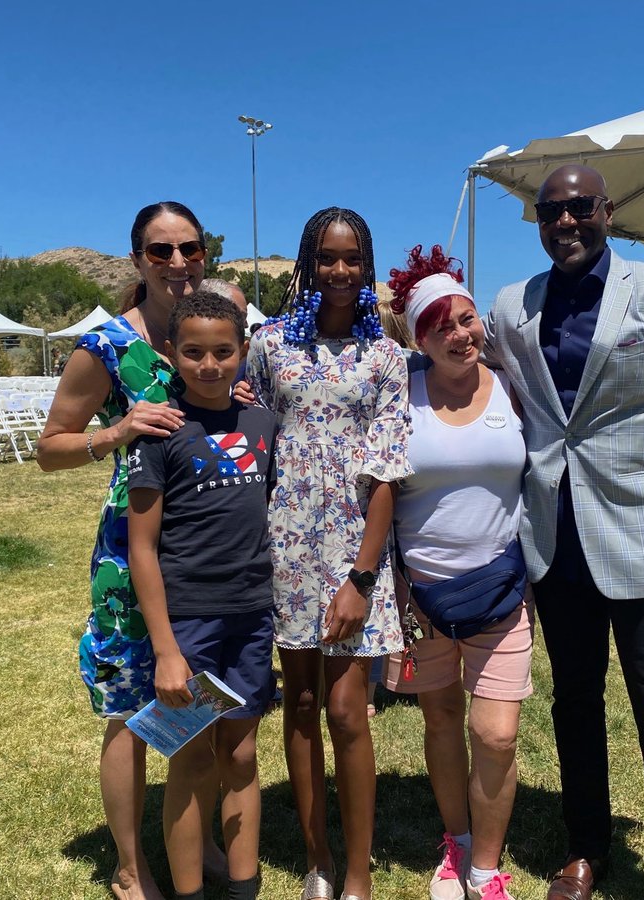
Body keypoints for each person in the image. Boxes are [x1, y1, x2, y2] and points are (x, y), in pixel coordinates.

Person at [483, 165, 644, 900]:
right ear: (537, 221)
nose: (565, 222)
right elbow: (470, 369)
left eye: (579, 207)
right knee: (576, 702)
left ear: (608, 211)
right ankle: (584, 849)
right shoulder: (514, 304)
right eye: (550, 211)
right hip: (554, 540)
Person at [38, 201, 216, 900]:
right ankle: (131, 867)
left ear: (205, 253)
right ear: (138, 259)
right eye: (160, 250)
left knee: (199, 703)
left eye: (189, 248)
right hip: (129, 552)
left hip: (207, 551)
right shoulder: (106, 347)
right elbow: (49, 448)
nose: (177, 262)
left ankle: (191, 839)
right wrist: (115, 433)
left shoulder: (219, 332)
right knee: (130, 709)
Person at [242, 207, 412, 900]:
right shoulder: (270, 345)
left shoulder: (386, 357)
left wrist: (363, 579)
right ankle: (316, 859)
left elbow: (388, 470)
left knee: (348, 712)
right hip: (284, 547)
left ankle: (358, 872)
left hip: (354, 552)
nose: (340, 272)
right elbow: (253, 430)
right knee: (304, 703)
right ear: (307, 264)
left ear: (366, 267)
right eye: (326, 258)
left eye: (352, 259)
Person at [383, 245, 532, 900]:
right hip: (421, 599)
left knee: (495, 735)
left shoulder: (512, 386)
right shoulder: (399, 396)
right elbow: (375, 493)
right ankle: (459, 845)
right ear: (419, 337)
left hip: (501, 590)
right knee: (440, 721)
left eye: (466, 319)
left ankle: (487, 869)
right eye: (439, 325)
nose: (459, 334)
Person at [127, 292, 278, 900]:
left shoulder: (262, 422)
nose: (210, 365)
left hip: (251, 616)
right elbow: (142, 548)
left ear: (244, 351)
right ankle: (188, 891)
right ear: (171, 353)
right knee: (189, 762)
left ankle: (244, 887)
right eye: (194, 353)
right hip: (188, 625)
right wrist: (166, 650)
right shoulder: (159, 431)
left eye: (224, 351)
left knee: (241, 757)